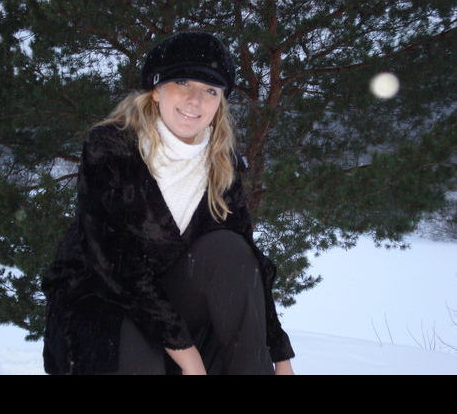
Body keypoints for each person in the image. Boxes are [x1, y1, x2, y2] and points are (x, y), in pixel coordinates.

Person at [41, 31, 296, 375]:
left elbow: (247, 266)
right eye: (182, 82)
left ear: (220, 102)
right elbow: (117, 263)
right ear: (156, 89)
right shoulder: (112, 147)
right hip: (105, 300)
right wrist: (188, 357)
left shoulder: (222, 163)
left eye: (210, 90)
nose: (195, 100)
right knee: (140, 355)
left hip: (173, 299)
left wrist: (280, 356)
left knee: (230, 249)